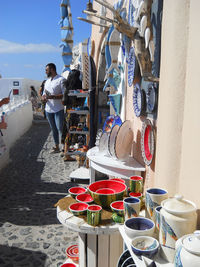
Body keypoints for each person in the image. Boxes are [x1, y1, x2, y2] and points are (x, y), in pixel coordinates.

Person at [42, 63, 66, 153]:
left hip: (58, 109)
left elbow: (65, 94)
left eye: (46, 70)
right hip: (48, 109)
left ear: (52, 69)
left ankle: (64, 147)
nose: (45, 71)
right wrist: (43, 98)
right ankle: (56, 146)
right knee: (53, 129)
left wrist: (53, 97)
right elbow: (43, 94)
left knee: (60, 128)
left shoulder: (61, 79)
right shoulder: (47, 81)